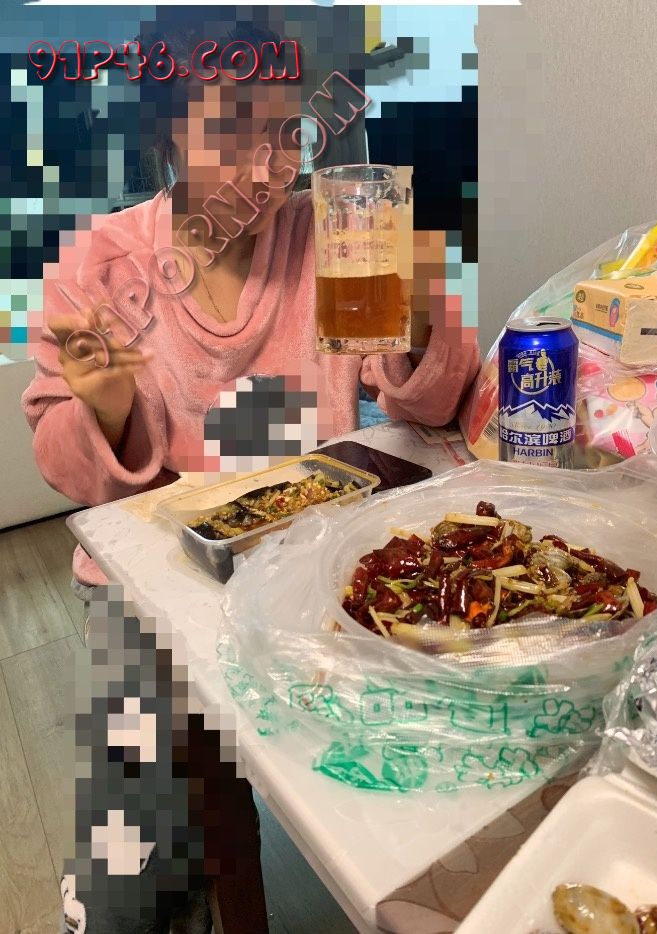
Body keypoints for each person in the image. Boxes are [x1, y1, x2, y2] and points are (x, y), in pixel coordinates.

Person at [22, 19, 480, 932]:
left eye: (285, 132)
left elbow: (431, 404)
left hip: (318, 556)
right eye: (232, 128)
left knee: (421, 788)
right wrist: (104, 407)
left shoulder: (336, 234)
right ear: (165, 134)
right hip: (152, 588)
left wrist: (425, 320)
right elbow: (68, 470)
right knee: (127, 888)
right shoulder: (103, 266)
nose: (267, 166)